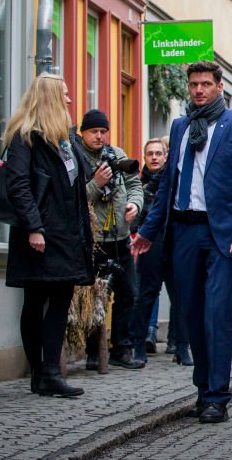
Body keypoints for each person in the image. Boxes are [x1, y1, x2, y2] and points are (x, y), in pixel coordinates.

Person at [132, 61, 232, 424]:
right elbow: (167, 189)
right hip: (184, 231)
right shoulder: (179, 127)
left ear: (219, 86)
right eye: (193, 85)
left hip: (222, 234)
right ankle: (202, 388)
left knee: (216, 313)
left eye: (206, 84)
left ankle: (218, 397)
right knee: (190, 313)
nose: (199, 90)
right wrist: (148, 231)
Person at [4, 74, 94, 397]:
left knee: (60, 301)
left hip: (67, 236)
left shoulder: (65, 139)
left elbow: (80, 181)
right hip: (41, 235)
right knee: (35, 302)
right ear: (52, 98)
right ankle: (41, 372)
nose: (70, 101)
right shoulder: (25, 137)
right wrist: (33, 228)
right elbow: (17, 186)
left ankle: (50, 373)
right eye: (65, 95)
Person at [79, 109, 145, 369]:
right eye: (94, 131)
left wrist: (134, 205)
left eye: (103, 131)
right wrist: (96, 183)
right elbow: (74, 200)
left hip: (120, 238)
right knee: (95, 297)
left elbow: (135, 185)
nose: (99, 136)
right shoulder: (77, 157)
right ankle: (94, 351)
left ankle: (122, 348)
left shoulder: (117, 155)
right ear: (82, 132)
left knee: (129, 292)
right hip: (93, 240)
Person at [131, 137, 191, 365]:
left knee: (181, 296)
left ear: (166, 156)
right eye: (150, 154)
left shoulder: (175, 176)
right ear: (145, 157)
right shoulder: (139, 183)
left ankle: (182, 347)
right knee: (146, 293)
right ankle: (139, 345)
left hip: (176, 240)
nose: (154, 157)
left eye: (159, 153)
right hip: (152, 241)